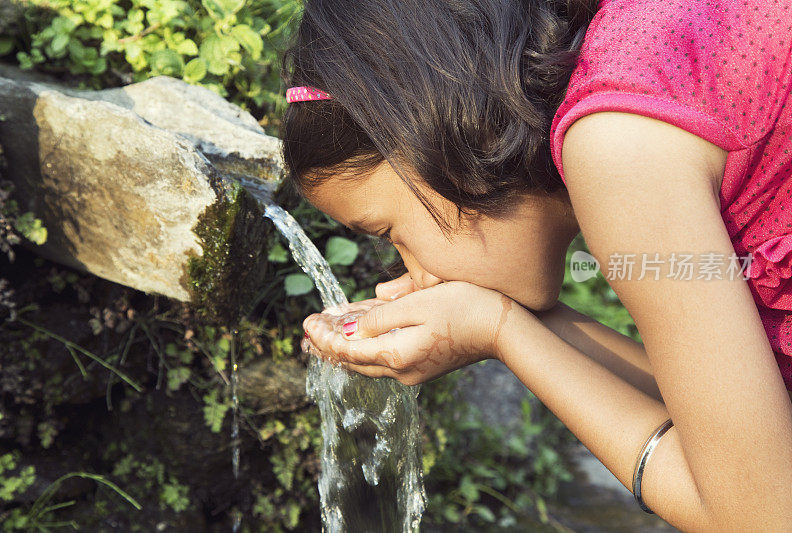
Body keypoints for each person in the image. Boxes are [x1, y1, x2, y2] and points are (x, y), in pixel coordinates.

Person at [281, 0, 792, 530]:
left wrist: (501, 331)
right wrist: (506, 320)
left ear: (440, 131)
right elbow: (739, 421)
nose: (415, 272)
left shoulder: (621, 145)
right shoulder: (648, 62)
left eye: (391, 233)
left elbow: (759, 514)